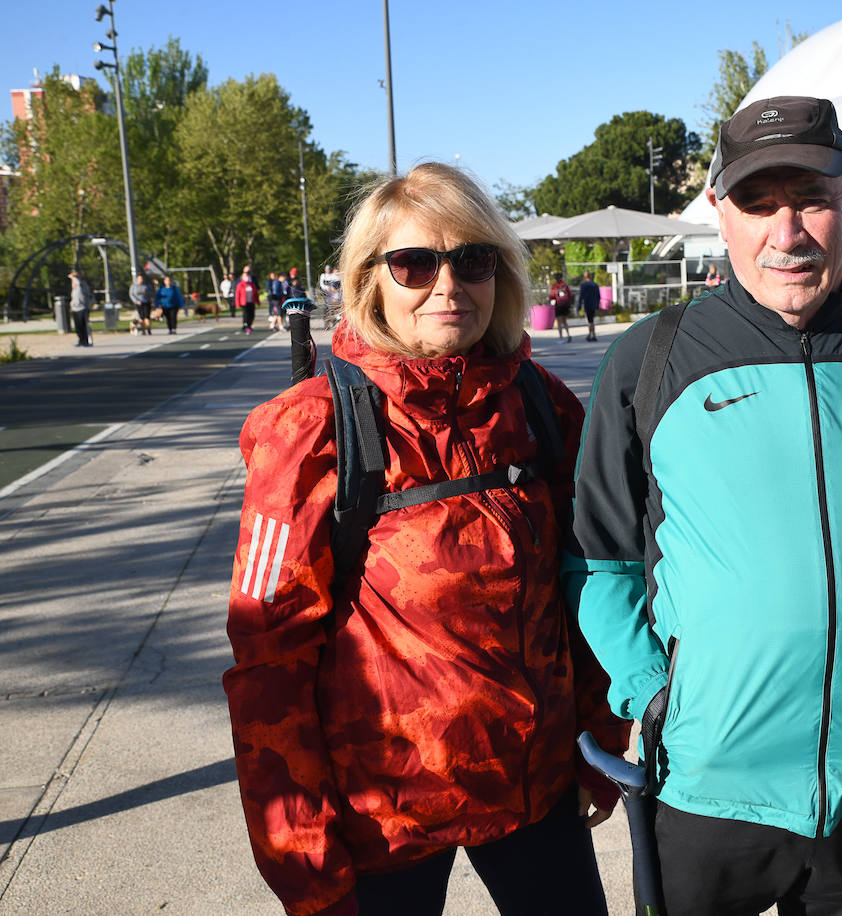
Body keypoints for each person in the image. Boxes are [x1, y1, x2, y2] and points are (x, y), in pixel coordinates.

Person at [568, 96, 842, 916]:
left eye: (811, 198)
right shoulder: (648, 360)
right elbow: (601, 562)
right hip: (703, 792)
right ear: (719, 213)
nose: (787, 231)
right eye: (759, 203)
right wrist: (654, 698)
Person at [224, 161, 629, 916]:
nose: (448, 286)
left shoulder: (540, 405)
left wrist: (599, 743)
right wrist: (306, 866)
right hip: (383, 818)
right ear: (371, 279)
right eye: (415, 263)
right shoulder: (310, 431)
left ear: (500, 274)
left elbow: (593, 582)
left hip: (536, 791)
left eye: (473, 259)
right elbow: (267, 662)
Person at [68, 269, 93, 347]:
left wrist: (73, 277)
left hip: (83, 307)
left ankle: (86, 341)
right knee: (77, 326)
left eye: (76, 275)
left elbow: (78, 283)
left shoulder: (82, 284)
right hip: (75, 307)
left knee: (84, 325)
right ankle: (80, 340)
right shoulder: (74, 285)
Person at [549, 271, 573, 342]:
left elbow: (551, 296)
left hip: (558, 305)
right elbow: (570, 295)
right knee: (565, 321)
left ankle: (561, 337)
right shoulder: (565, 285)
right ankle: (568, 334)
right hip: (565, 305)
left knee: (559, 322)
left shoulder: (554, 286)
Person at [235, 266, 259, 334]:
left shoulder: (252, 284)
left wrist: (258, 301)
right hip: (244, 302)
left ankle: (249, 325)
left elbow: (256, 294)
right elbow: (237, 294)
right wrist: (237, 303)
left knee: (252, 314)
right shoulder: (240, 285)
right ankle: (246, 325)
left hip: (251, 301)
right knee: (246, 314)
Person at [577, 271, 599, 342]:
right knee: (591, 320)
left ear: (585, 277)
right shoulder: (595, 285)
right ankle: (593, 334)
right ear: (591, 276)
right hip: (593, 304)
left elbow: (581, 296)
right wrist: (597, 305)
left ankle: (591, 334)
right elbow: (598, 296)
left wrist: (579, 305)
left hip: (587, 304)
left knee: (590, 321)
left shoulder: (584, 285)